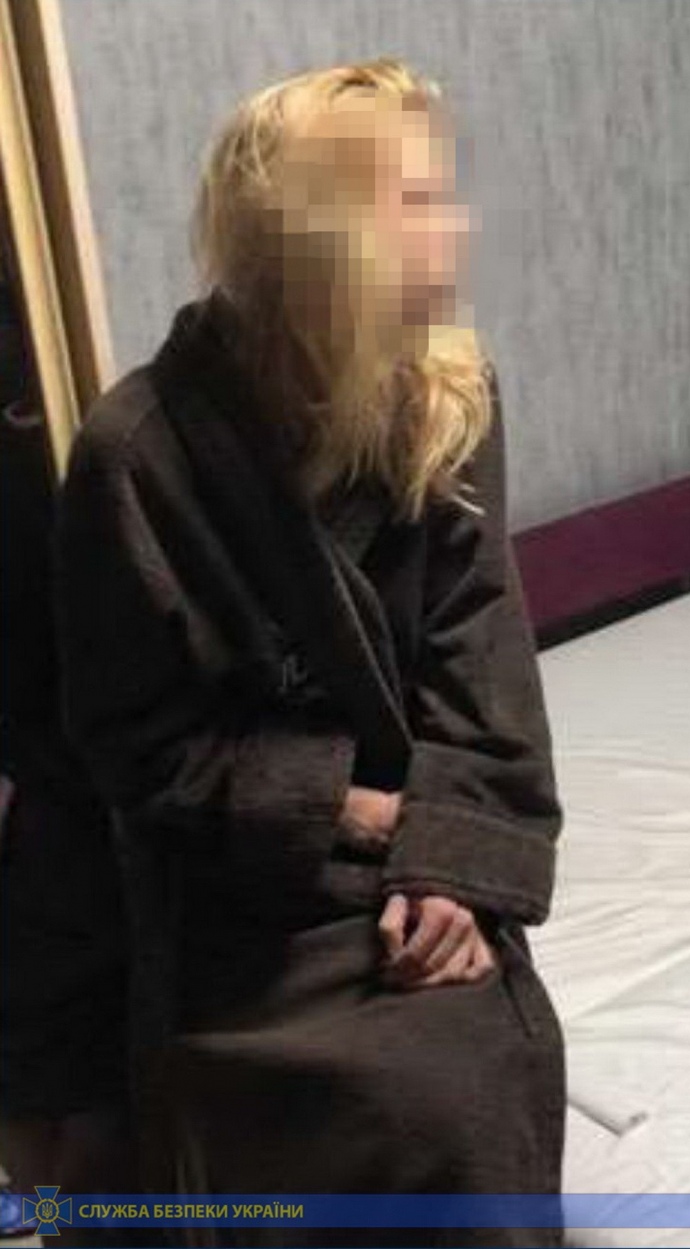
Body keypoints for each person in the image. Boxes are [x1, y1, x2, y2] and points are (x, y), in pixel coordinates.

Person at [54, 58, 566, 1249]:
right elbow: (133, 745)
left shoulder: (447, 398)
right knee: (290, 1110)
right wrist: (347, 810)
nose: (460, 224)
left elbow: (481, 660)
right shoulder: (135, 452)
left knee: (461, 1087)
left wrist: (451, 867)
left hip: (421, 845)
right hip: (245, 878)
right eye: (422, 200)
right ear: (326, 233)